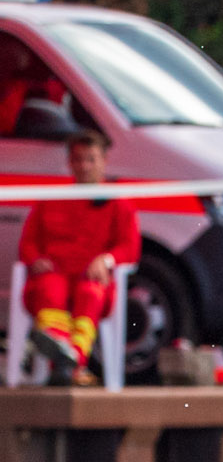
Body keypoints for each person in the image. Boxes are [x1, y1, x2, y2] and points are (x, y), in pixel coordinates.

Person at [19, 129, 136, 385]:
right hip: (54, 274)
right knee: (49, 291)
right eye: (79, 159)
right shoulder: (51, 200)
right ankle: (67, 360)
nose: (84, 166)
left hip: (90, 278)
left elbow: (129, 247)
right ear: (70, 162)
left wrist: (106, 260)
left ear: (104, 161)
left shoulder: (117, 204)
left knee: (90, 294)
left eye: (90, 159)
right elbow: (27, 242)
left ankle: (70, 361)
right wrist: (35, 258)